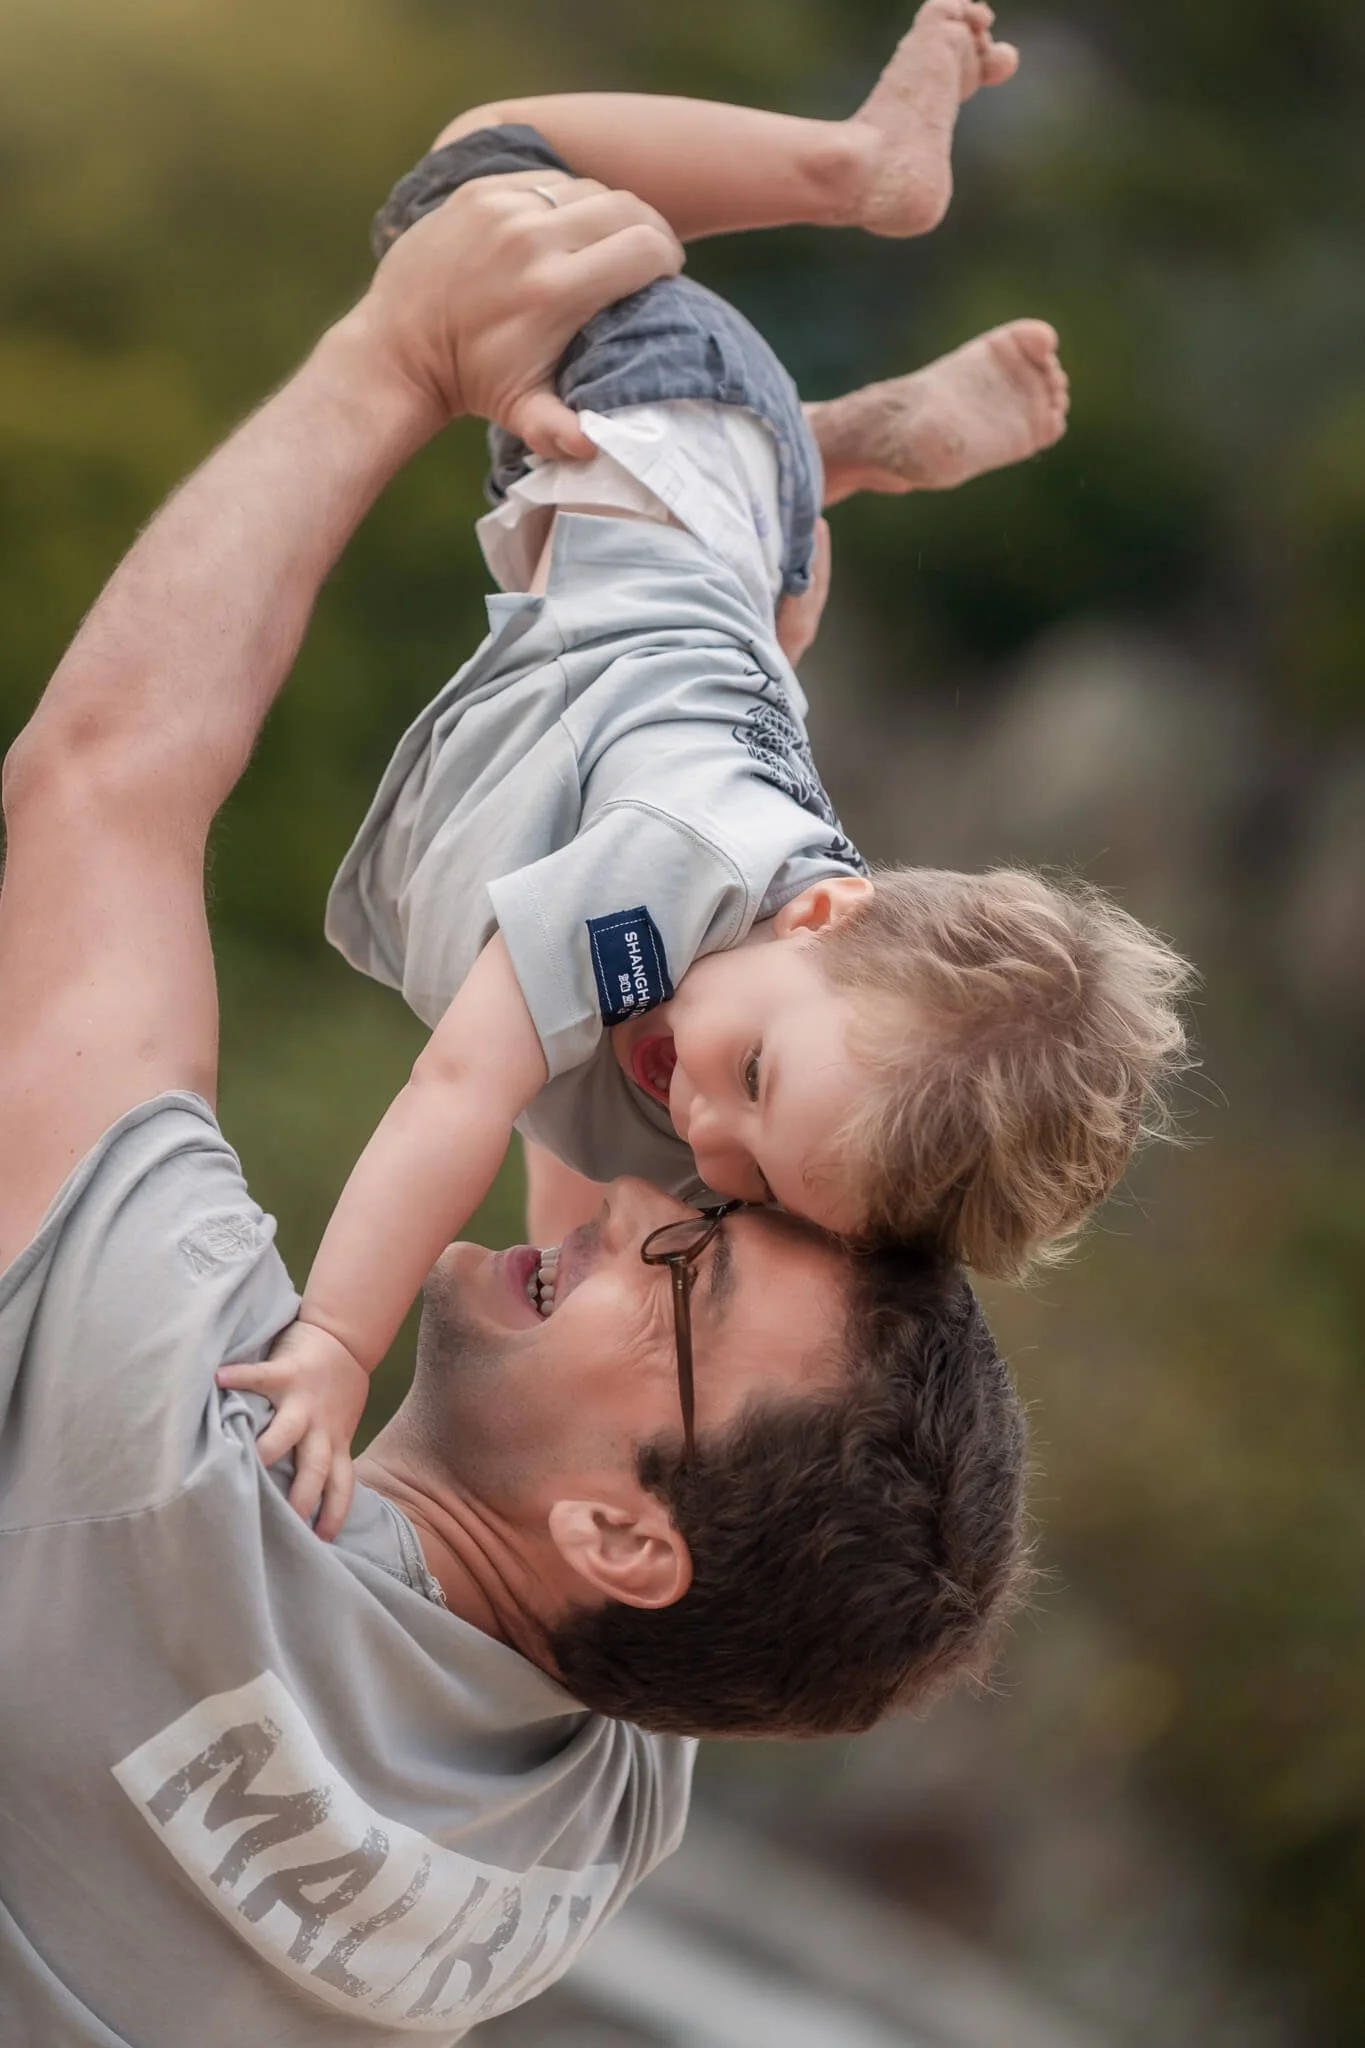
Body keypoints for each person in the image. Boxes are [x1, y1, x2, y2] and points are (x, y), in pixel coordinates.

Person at [0, 167, 1029, 2047]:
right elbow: (614, 1167)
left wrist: (391, 357)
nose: (658, 1205)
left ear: (632, 1548)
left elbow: (99, 792)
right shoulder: (589, 1818)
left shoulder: (182, 1455)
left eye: (697, 1281)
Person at [243, 2, 1190, 1534]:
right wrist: (334, 1351)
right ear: (821, 914)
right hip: (662, 406)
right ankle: (858, 171)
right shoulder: (677, 872)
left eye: (752, 1179)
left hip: (751, 585)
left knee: (742, 587)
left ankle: (837, 455)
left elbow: (584, 1184)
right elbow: (464, 1086)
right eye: (751, 1082)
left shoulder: (796, 1081)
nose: (706, 1135)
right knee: (472, 170)